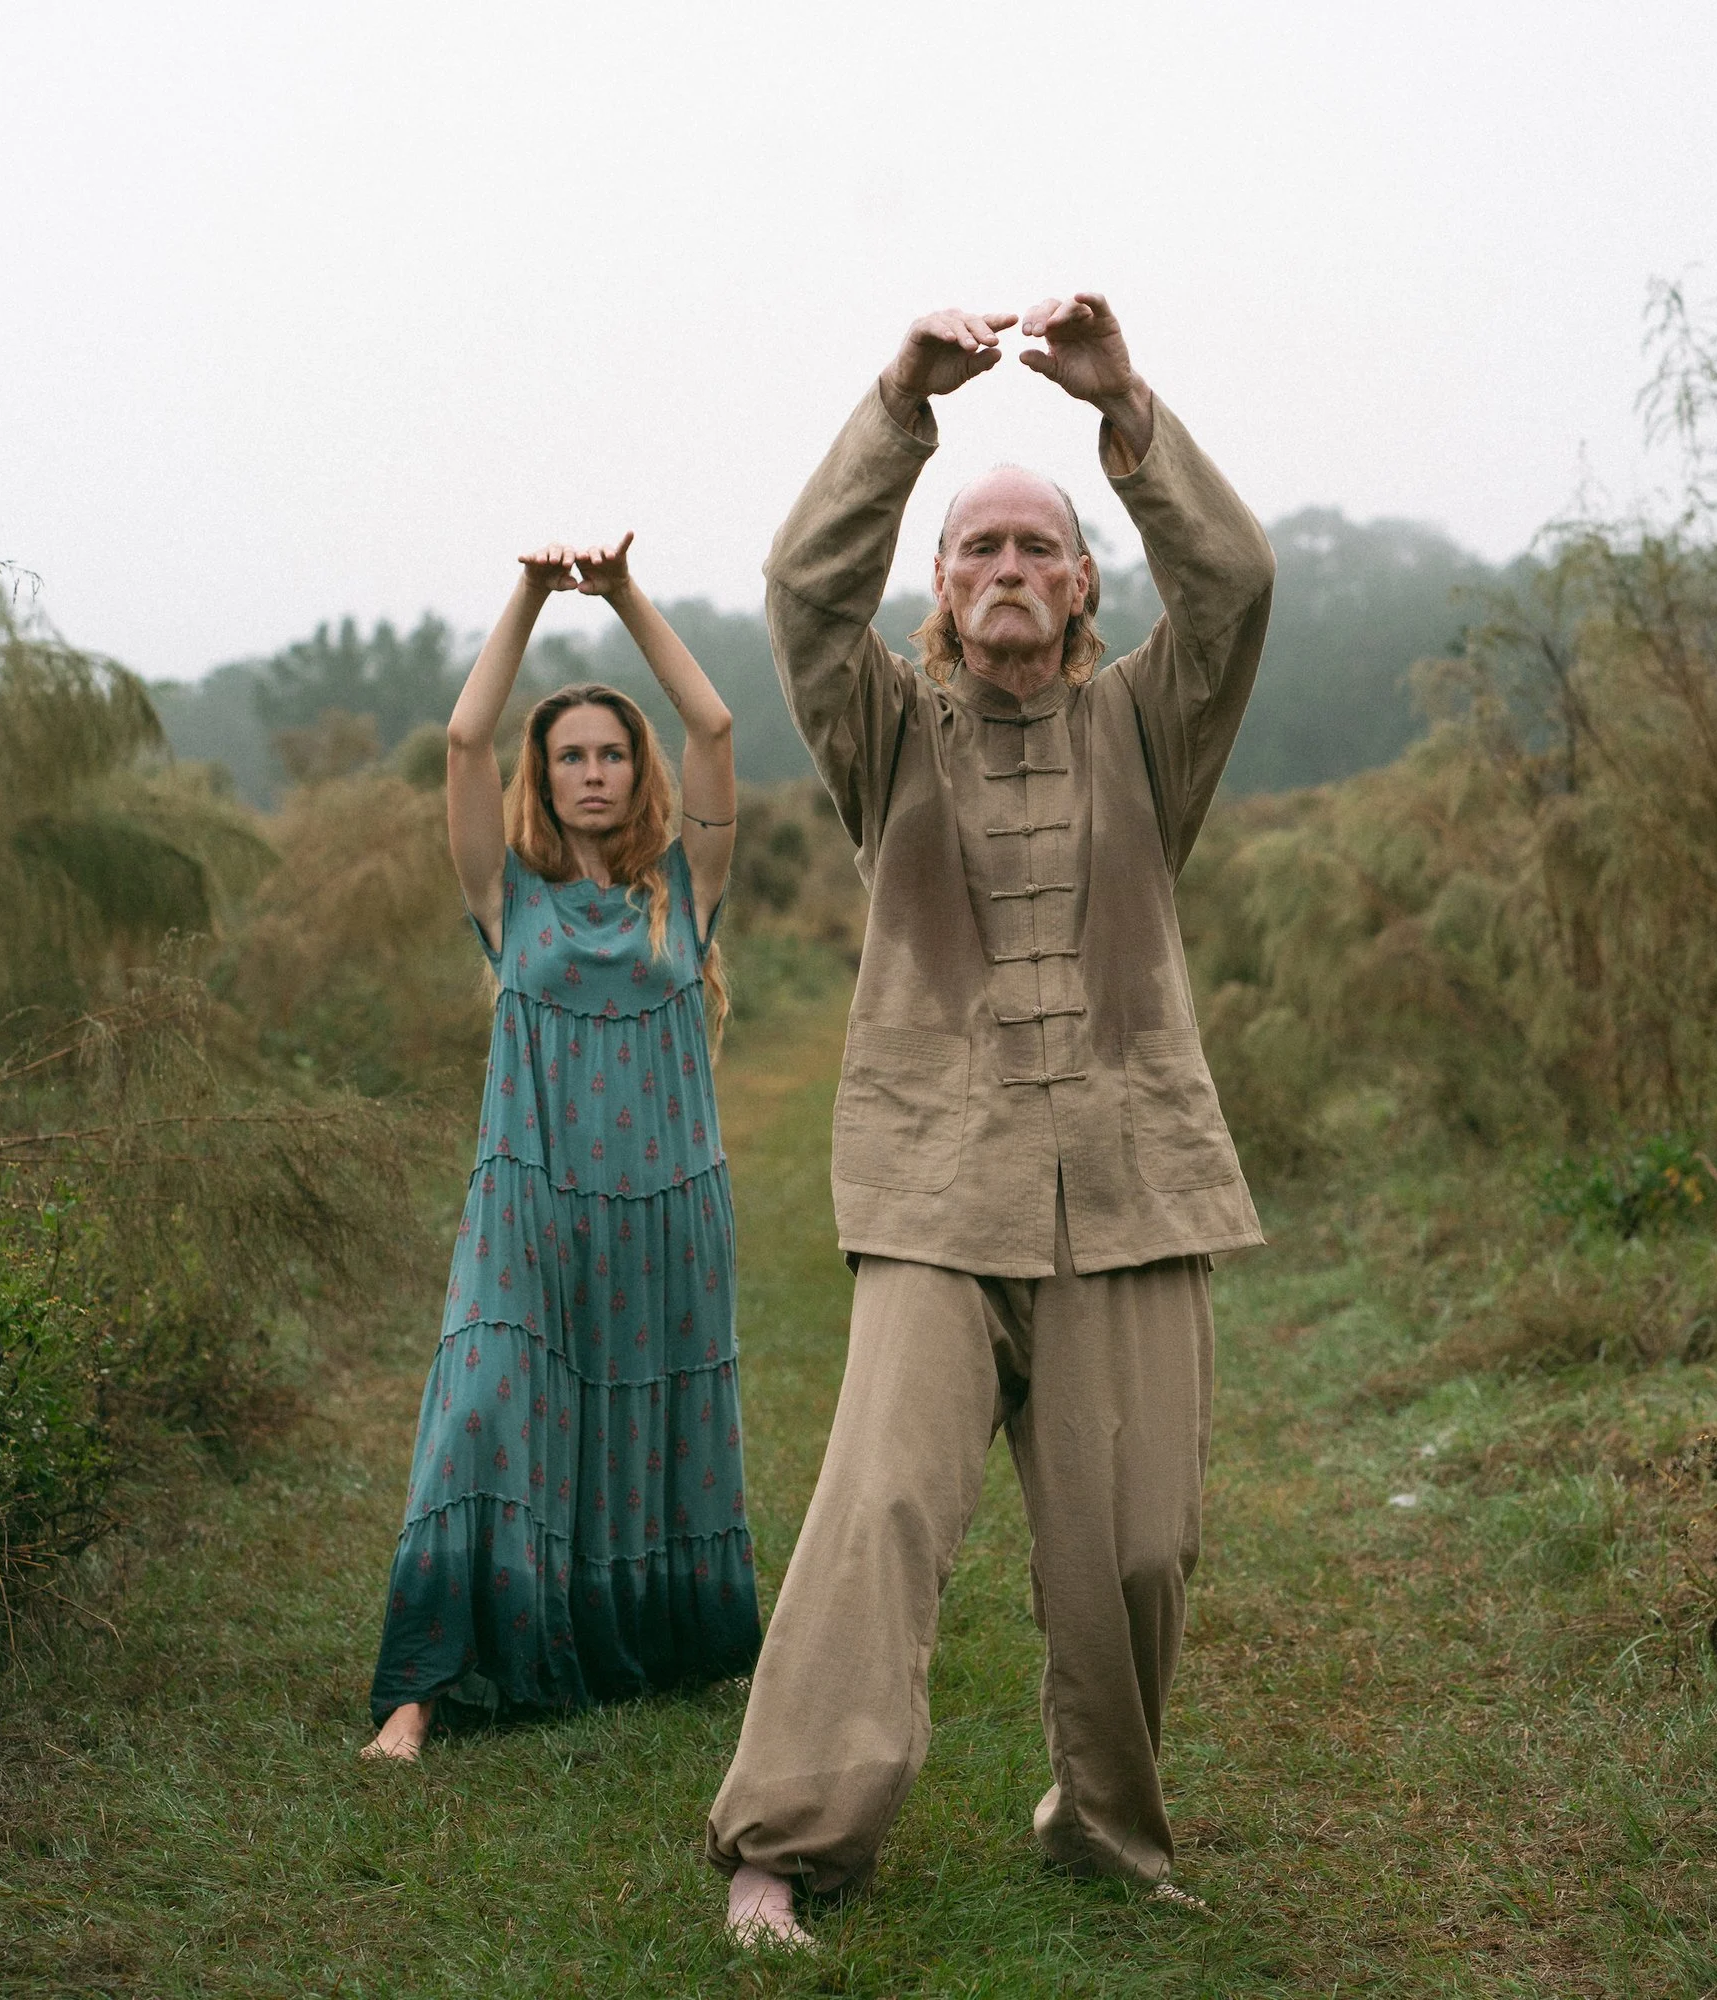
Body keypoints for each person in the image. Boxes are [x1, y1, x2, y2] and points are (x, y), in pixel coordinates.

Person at [704, 295, 1275, 1947]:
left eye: (1041, 548)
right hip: (938, 1197)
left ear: (1085, 586)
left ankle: (1101, 1826)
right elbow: (805, 595)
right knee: (880, 1508)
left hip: (1136, 1185)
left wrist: (1127, 411)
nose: (1011, 569)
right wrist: (902, 406)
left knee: (1143, 1551)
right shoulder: (888, 737)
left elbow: (1234, 588)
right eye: (978, 553)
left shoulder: (1149, 730)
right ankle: (786, 1847)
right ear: (941, 595)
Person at [362, 532, 760, 1759]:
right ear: (546, 772)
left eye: (611, 752)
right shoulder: (508, 897)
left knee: (656, 1427)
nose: (591, 771)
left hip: (662, 1203)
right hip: (529, 1198)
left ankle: (662, 1637)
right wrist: (530, 596)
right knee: (485, 1411)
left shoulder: (686, 887)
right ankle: (417, 1696)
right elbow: (462, 740)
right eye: (571, 754)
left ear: (637, 769)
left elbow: (720, 724)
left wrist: (627, 595)